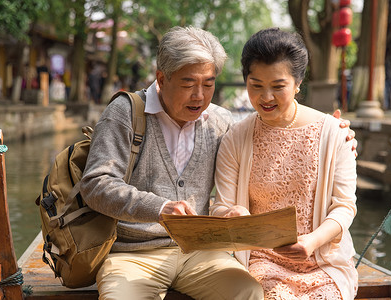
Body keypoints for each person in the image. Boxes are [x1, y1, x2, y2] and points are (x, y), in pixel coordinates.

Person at [80, 26, 356, 300]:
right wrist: (160, 208)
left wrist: (340, 137)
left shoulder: (221, 123)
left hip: (200, 253)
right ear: (161, 79)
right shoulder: (124, 113)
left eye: (208, 84)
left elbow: (274, 134)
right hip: (133, 255)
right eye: (188, 84)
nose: (199, 96)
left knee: (246, 292)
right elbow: (95, 184)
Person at [211, 28, 358, 300]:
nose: (266, 97)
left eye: (278, 87)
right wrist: (233, 215)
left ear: (298, 83)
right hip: (261, 260)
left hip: (323, 261)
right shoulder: (235, 138)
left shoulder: (333, 133)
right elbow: (222, 205)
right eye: (256, 85)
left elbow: (345, 206)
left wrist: (311, 241)